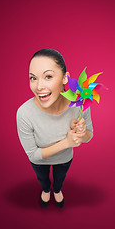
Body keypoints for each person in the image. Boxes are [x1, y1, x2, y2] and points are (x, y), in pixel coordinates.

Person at [16, 48, 93, 208]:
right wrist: (67, 142)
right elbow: (33, 155)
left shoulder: (80, 105)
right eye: (33, 78)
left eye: (48, 76)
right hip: (39, 162)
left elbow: (89, 136)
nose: (38, 86)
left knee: (60, 177)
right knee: (42, 178)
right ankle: (45, 190)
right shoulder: (24, 113)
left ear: (65, 78)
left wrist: (81, 132)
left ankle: (57, 190)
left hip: (64, 159)